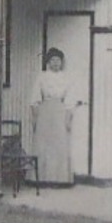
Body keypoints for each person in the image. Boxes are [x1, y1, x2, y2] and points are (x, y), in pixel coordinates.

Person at [30, 48, 81, 186]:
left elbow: (70, 99)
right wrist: (35, 119)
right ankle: (41, 178)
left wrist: (68, 118)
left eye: (58, 60)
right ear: (48, 62)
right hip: (44, 112)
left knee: (60, 144)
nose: (55, 63)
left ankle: (60, 179)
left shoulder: (66, 78)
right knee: (43, 144)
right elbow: (35, 98)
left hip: (60, 112)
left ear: (62, 62)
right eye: (52, 60)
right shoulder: (42, 77)